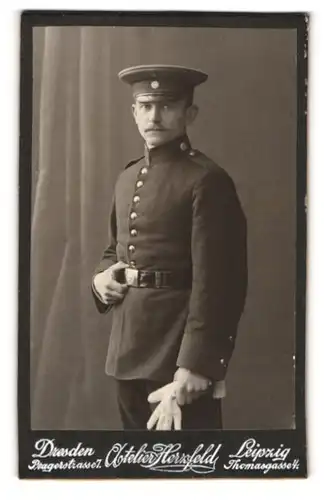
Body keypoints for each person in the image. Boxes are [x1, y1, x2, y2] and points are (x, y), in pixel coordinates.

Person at [92, 64, 247, 430]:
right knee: (137, 473)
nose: (154, 116)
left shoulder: (206, 180)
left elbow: (220, 282)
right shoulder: (127, 176)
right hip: (128, 349)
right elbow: (115, 249)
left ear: (189, 113)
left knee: (186, 473)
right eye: (145, 106)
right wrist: (100, 281)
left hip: (178, 356)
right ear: (134, 112)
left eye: (167, 106)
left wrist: (197, 364)